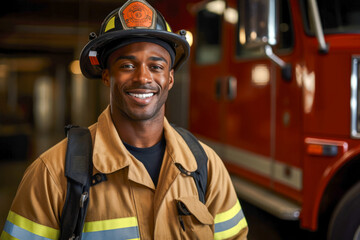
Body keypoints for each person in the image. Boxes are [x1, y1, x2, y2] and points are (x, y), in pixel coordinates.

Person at [1, 0, 248, 239]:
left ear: (170, 79)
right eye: (128, 65)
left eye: (156, 66)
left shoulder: (204, 166)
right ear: (107, 76)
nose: (143, 77)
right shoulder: (53, 173)